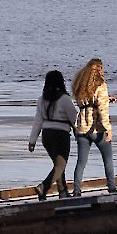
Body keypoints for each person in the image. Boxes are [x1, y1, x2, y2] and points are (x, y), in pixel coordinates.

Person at [28, 70, 79, 200]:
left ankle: (62, 192)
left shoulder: (42, 99)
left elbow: (38, 121)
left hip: (46, 135)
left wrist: (32, 141)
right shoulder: (65, 99)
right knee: (61, 165)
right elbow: (75, 118)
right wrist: (82, 132)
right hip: (60, 135)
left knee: (58, 166)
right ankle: (44, 186)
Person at [71, 58, 116, 194]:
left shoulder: (80, 86)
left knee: (81, 162)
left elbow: (87, 103)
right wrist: (108, 129)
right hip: (96, 128)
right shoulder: (100, 85)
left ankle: (77, 191)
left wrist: (107, 98)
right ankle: (112, 187)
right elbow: (102, 110)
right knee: (107, 159)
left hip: (81, 127)